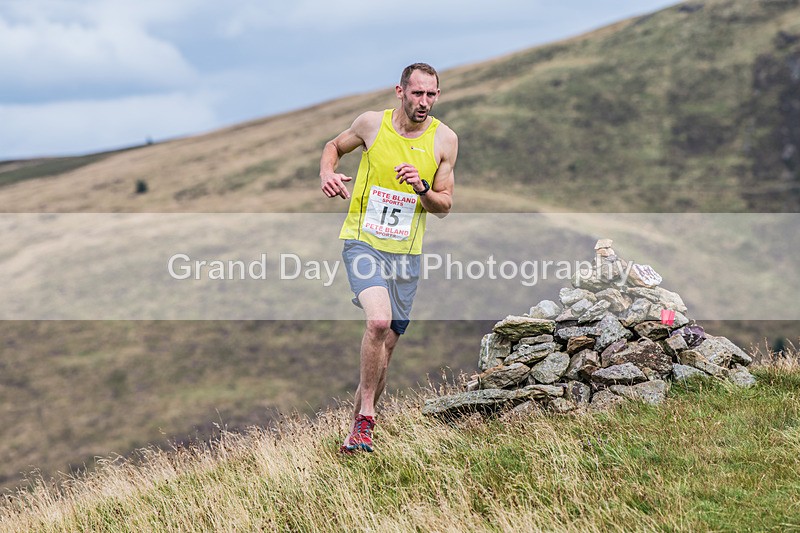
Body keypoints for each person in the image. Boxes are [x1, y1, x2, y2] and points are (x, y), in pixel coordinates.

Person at [319, 62, 458, 453]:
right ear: (400, 92)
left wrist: (422, 187)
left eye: (431, 95)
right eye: (417, 93)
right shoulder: (371, 125)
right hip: (363, 242)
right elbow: (333, 146)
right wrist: (327, 173)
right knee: (378, 322)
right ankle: (367, 416)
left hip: (406, 256)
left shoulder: (444, 140)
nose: (424, 102)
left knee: (387, 346)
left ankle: (356, 435)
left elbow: (444, 205)